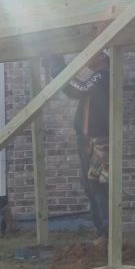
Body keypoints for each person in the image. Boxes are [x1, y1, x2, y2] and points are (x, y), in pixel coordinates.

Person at [44, 50, 110, 238]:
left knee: (98, 186)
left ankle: (106, 234)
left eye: (93, 53)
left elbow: (77, 89)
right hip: (89, 141)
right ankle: (102, 232)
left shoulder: (103, 75)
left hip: (99, 143)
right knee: (91, 186)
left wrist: (58, 68)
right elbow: (79, 90)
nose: (88, 57)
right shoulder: (98, 77)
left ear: (103, 57)